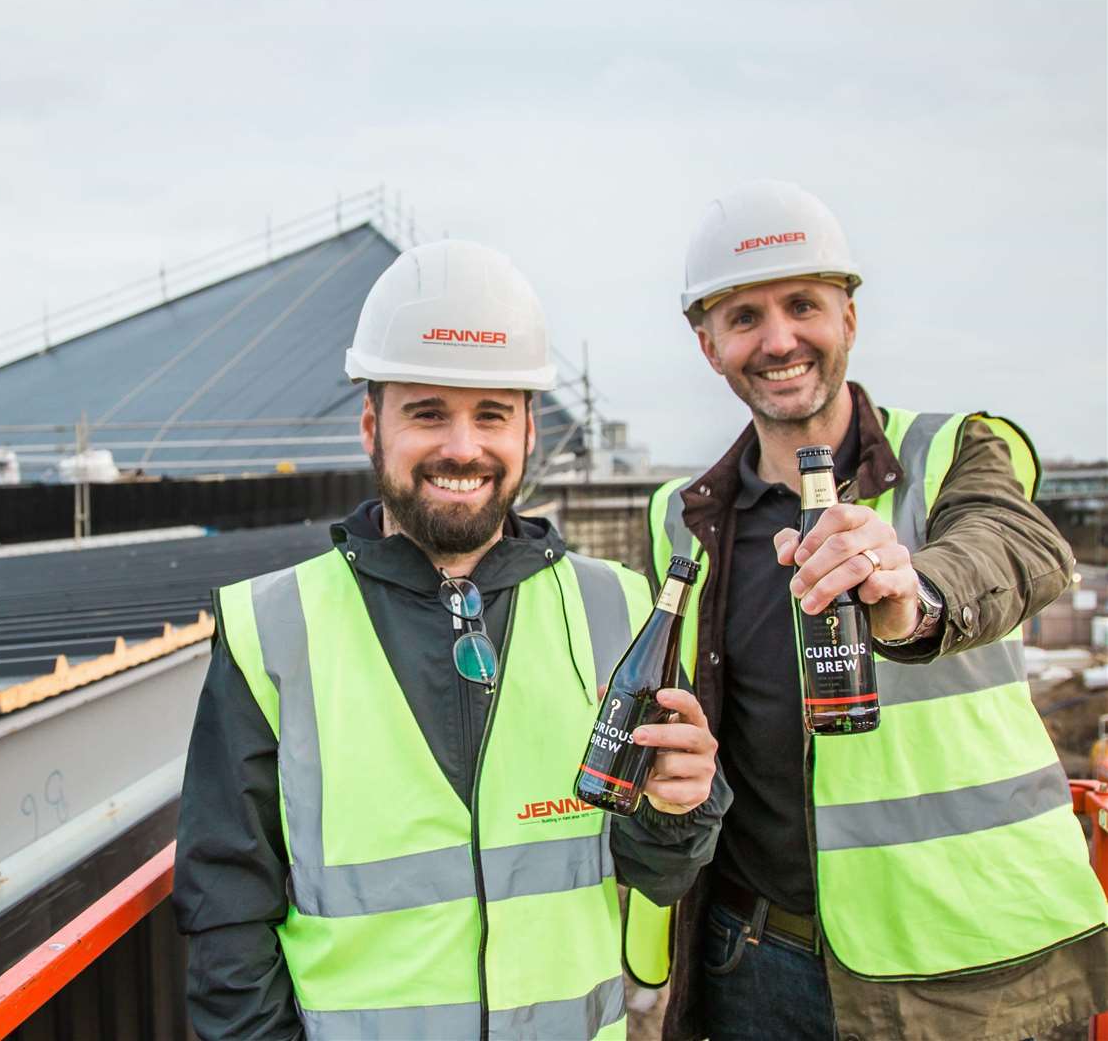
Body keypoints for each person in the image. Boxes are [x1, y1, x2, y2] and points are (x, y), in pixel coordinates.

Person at [173, 239, 730, 1040]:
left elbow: (656, 870)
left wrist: (681, 807)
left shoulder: (617, 607)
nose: (463, 447)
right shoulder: (274, 628)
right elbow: (226, 907)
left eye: (491, 415)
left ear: (529, 431)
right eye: (427, 412)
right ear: (372, 425)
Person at [642, 179, 1108, 1040]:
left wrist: (912, 600)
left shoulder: (951, 452)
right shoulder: (679, 514)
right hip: (751, 957)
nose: (778, 340)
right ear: (706, 344)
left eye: (802, 305)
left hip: (964, 964)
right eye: (743, 317)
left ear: (848, 318)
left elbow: (1018, 546)